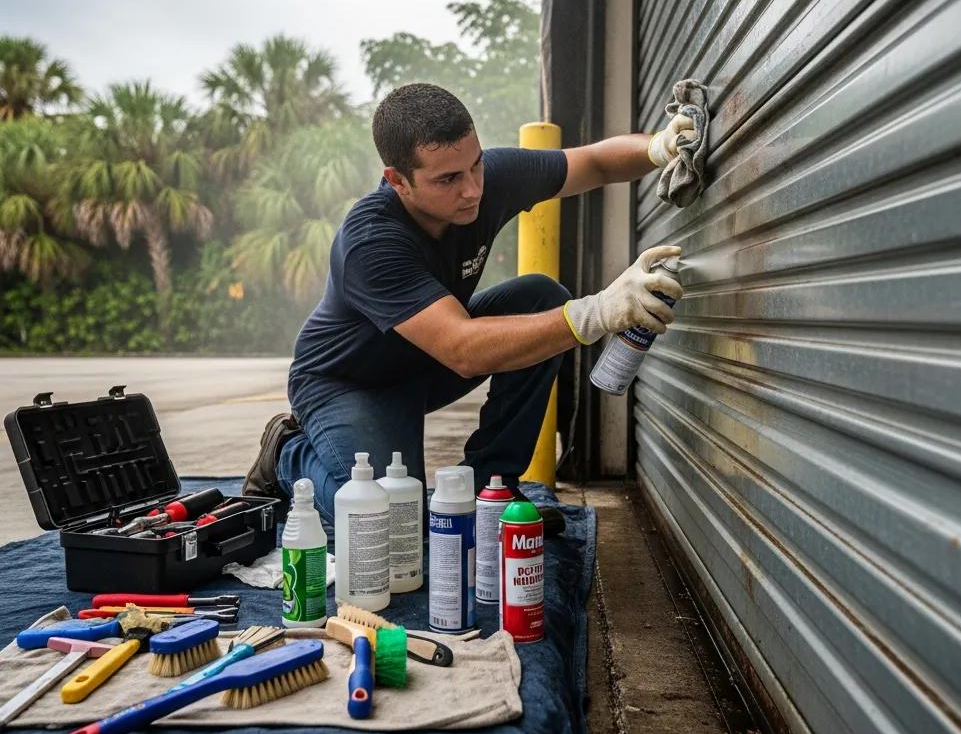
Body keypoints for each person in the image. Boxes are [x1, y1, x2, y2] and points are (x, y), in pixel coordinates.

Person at [243, 82, 694, 532]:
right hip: (347, 383)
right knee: (389, 524)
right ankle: (287, 452)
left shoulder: (484, 178)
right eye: (448, 180)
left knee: (540, 298)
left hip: (424, 362)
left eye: (475, 165)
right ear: (397, 180)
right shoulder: (370, 241)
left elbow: (593, 161)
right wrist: (597, 312)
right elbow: (464, 349)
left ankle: (492, 486)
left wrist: (658, 146)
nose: (472, 190)